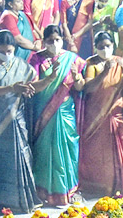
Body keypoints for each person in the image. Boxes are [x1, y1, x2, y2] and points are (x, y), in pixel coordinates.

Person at [0, 31, 38, 215]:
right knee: (0, 159)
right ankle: (3, 201)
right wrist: (12, 88)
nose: (6, 54)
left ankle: (24, 200)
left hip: (17, 116)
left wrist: (27, 90)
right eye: (2, 50)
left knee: (22, 156)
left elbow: (32, 83)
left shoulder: (22, 65)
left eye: (10, 50)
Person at [30, 26, 86, 207]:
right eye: (50, 40)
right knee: (45, 151)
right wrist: (50, 77)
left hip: (65, 110)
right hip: (43, 111)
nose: (54, 43)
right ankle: (45, 191)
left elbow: (79, 87)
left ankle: (69, 190)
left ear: (62, 39)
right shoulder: (36, 59)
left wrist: (78, 78)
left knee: (67, 149)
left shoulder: (72, 59)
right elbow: (34, 87)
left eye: (57, 40)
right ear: (44, 41)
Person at [78, 30, 123, 199]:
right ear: (95, 47)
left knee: (119, 149)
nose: (105, 49)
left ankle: (121, 185)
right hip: (96, 116)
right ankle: (99, 187)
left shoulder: (121, 62)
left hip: (116, 114)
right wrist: (104, 72)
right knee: (97, 152)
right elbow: (89, 88)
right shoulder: (91, 63)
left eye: (108, 46)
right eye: (101, 47)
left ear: (113, 46)